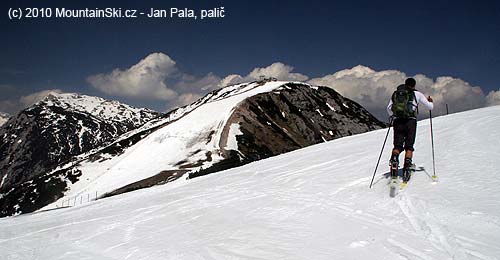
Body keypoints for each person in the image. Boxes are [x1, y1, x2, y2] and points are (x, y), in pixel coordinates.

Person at [387, 78, 434, 182]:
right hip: (410, 122)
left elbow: (389, 109)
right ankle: (407, 167)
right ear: (414, 85)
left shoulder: (396, 94)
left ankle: (394, 159)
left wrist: (394, 115)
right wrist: (430, 102)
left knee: (398, 145)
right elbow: (430, 107)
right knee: (409, 146)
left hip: (398, 121)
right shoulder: (417, 94)